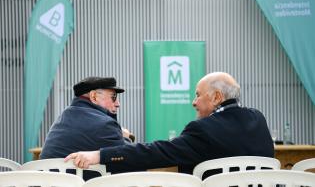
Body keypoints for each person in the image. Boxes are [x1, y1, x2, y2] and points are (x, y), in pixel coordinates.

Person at [65, 72, 274, 174]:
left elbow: (156, 152)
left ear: (217, 96)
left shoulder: (204, 130)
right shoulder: (259, 119)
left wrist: (99, 155)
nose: (193, 102)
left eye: (198, 95)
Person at [40, 76, 134, 160]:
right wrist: (125, 137)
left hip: (49, 179)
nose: (118, 104)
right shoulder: (105, 125)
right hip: (81, 179)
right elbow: (131, 160)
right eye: (113, 97)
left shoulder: (63, 118)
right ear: (94, 97)